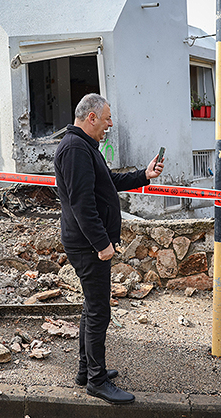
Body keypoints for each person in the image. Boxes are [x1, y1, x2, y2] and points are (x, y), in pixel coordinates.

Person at [54, 93, 164, 404]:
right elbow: (82, 204)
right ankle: (96, 381)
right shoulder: (75, 149)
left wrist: (144, 175)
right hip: (88, 246)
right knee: (100, 311)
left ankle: (85, 370)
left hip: (87, 243)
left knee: (92, 308)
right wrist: (102, 244)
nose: (110, 124)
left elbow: (107, 183)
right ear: (90, 117)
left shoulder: (84, 146)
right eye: (106, 119)